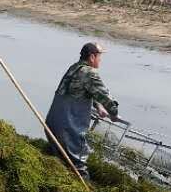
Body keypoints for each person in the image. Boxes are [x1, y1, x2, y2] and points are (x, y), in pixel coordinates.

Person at [44, 41, 119, 181]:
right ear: (92, 57)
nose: (100, 60)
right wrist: (113, 113)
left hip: (52, 125)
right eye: (99, 56)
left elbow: (83, 89)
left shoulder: (74, 68)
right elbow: (104, 95)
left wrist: (98, 107)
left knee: (61, 162)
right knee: (78, 166)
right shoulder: (89, 73)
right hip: (68, 130)